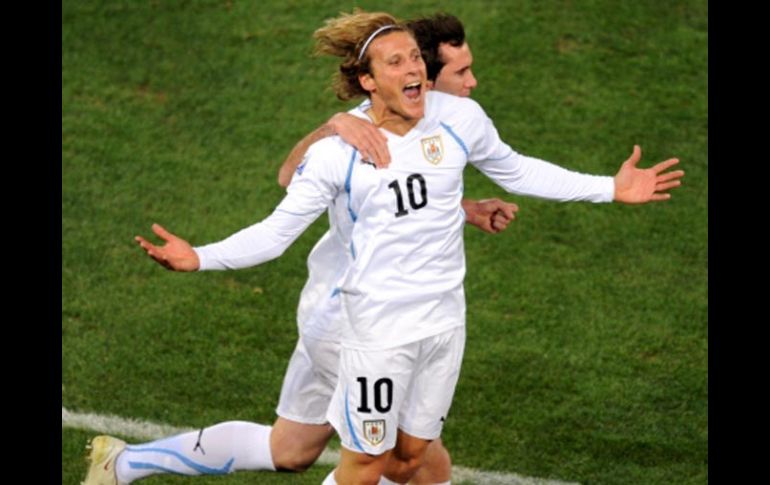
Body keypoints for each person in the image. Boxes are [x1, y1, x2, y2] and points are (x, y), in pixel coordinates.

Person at [88, 10, 683, 485]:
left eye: (415, 59)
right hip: (358, 320)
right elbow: (280, 217)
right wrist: (203, 256)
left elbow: (512, 170)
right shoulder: (342, 147)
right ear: (369, 80)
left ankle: (123, 466)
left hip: (441, 319)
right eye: (395, 61)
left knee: (324, 451)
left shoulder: (457, 120)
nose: (428, 72)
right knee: (381, 464)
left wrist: (608, 188)